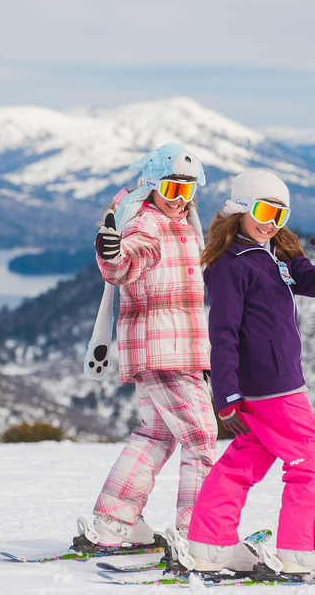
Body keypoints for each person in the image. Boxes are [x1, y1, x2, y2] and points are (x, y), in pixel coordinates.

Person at [174, 170, 315, 577]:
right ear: (241, 209)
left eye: (280, 214)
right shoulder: (232, 264)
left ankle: (210, 545)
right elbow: (222, 333)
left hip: (271, 382)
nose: (270, 222)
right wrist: (227, 394)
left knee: (244, 461)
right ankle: (298, 552)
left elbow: (307, 279)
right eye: (263, 210)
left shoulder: (274, 254)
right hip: (272, 387)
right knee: (308, 462)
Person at [77, 143, 218, 550]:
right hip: (166, 349)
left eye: (187, 191)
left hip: (168, 347)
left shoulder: (183, 224)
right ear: (152, 186)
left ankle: (114, 521)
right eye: (171, 189)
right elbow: (128, 261)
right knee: (202, 439)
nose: (179, 200)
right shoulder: (148, 223)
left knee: (156, 435)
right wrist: (113, 254)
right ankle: (201, 537)